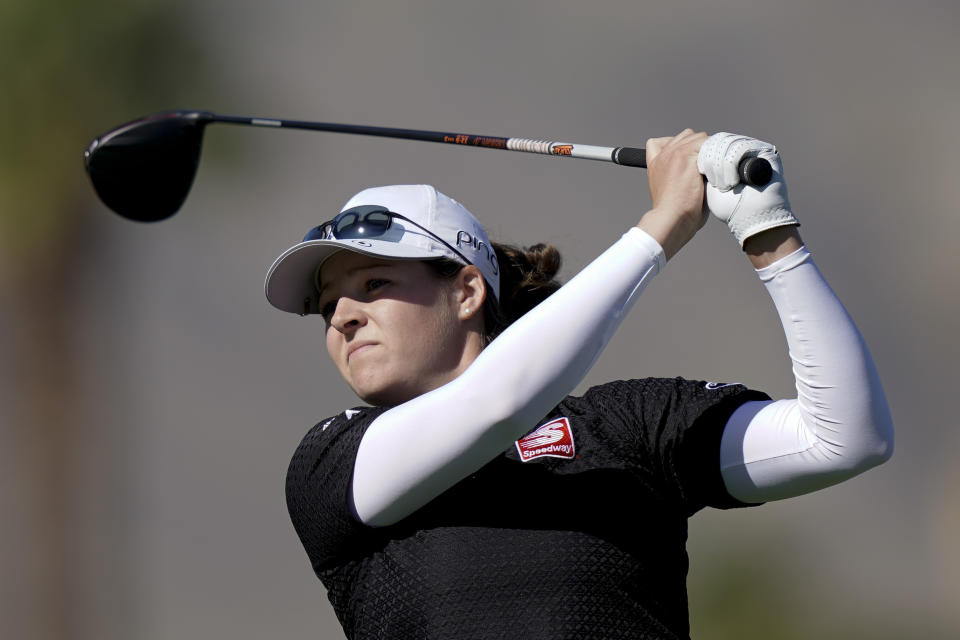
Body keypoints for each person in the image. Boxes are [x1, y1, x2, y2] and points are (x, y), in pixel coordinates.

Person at [265, 130, 894, 639]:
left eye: (374, 284)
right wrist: (663, 225)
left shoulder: (625, 426)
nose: (343, 316)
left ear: (465, 291)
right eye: (327, 307)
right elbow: (497, 405)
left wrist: (771, 234)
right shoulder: (330, 462)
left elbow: (844, 439)